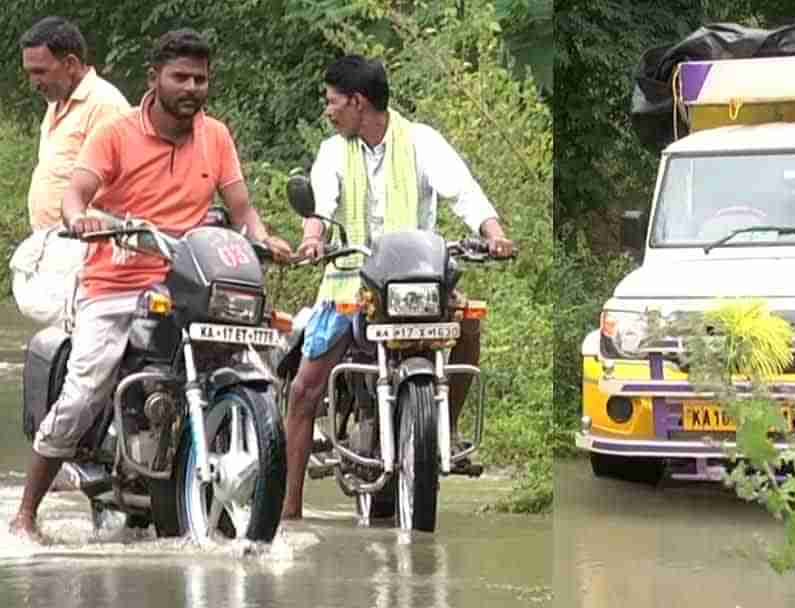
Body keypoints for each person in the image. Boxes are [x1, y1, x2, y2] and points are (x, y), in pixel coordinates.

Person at [7, 29, 292, 542]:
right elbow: (77, 192)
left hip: (190, 281)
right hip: (115, 281)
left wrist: (263, 237)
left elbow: (243, 208)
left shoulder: (217, 136)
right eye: (180, 76)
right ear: (154, 78)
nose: (192, 88)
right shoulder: (115, 134)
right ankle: (26, 513)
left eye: (201, 79)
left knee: (256, 353)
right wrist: (82, 219)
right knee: (84, 389)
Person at [282, 55, 515, 520]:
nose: (328, 112)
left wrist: (494, 233)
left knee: (468, 325)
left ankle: (438, 435)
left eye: (332, 102)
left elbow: (464, 192)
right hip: (350, 282)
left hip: (418, 284)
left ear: (357, 102)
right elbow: (321, 205)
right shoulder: (333, 152)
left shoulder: (422, 142)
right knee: (305, 389)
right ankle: (288, 508)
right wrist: (312, 239)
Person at [21, 16, 130, 231]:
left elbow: (123, 185)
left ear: (70, 64)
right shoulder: (58, 100)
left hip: (87, 246)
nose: (34, 83)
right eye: (29, 73)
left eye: (40, 72)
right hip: (53, 243)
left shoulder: (105, 105)